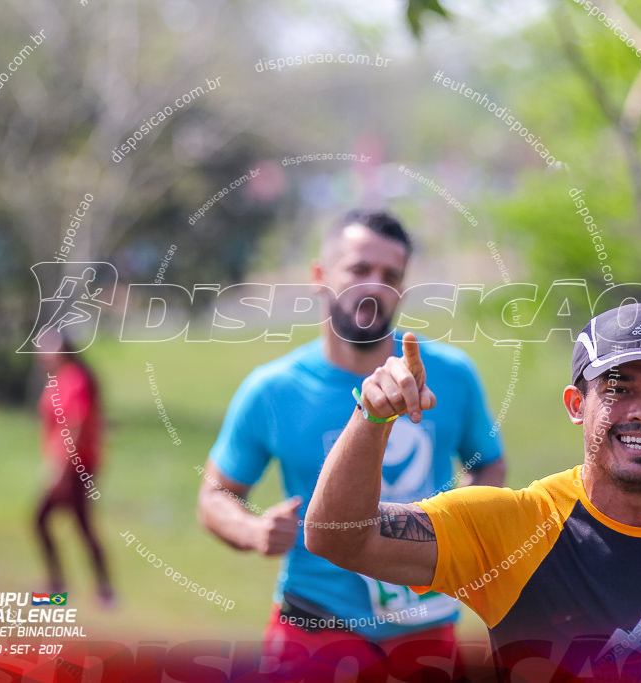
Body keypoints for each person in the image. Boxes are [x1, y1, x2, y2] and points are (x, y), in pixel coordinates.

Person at [306, 303, 641, 678]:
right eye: (616, 388)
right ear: (575, 405)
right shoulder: (514, 528)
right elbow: (337, 537)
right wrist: (371, 416)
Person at [197, 209, 506, 680]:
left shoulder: (453, 375)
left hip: (424, 626)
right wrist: (253, 531)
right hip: (315, 627)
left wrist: (456, 526)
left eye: (390, 275)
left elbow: (489, 465)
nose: (375, 285)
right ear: (321, 276)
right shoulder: (274, 389)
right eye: (360, 270)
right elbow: (215, 495)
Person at [34, 330, 113, 606]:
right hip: (65, 465)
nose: (42, 354)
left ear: (63, 349)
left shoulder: (76, 378)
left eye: (48, 348)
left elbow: (76, 425)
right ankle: (87, 587)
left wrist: (63, 468)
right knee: (68, 523)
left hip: (77, 467)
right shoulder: (59, 379)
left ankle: (93, 589)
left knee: (49, 520)